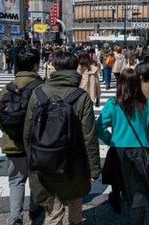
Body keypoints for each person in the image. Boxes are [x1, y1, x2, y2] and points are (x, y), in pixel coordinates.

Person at [23, 51, 101, 225]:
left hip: (43, 158)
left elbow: (28, 131)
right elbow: (89, 136)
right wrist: (94, 168)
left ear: (55, 68)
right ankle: (75, 221)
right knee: (74, 197)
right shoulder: (81, 97)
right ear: (75, 68)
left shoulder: (39, 93)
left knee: (53, 206)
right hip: (73, 161)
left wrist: (31, 158)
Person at [96, 68, 149, 225]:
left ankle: (116, 201)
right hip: (138, 150)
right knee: (138, 191)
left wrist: (110, 139)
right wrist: (145, 139)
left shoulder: (113, 104)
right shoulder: (145, 104)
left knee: (116, 177)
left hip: (117, 148)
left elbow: (99, 128)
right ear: (137, 84)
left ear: (120, 84)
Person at [0, 48, 44, 224]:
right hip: (36, 145)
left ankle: (16, 218)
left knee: (16, 181)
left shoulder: (7, 88)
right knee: (36, 178)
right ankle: (33, 207)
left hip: (13, 144)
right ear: (35, 66)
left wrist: (10, 133)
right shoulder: (41, 88)